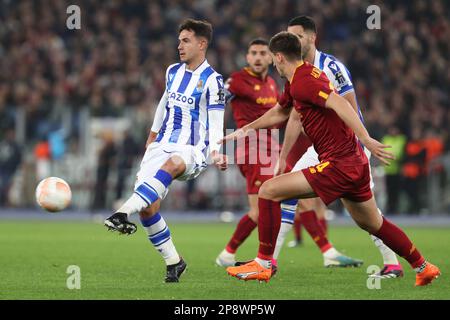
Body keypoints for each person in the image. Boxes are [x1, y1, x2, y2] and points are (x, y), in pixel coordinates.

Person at [223, 31, 440, 286]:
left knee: (269, 191)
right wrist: (247, 128)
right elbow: (280, 112)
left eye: (272, 58)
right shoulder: (297, 80)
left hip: (339, 163)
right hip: (353, 162)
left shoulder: (305, 81)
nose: (272, 63)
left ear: (279, 57)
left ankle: (263, 263)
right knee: (372, 223)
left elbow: (341, 104)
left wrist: (366, 138)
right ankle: (423, 267)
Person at [272, 16, 403, 277]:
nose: (293, 41)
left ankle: (394, 263)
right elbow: (294, 117)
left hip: (348, 148)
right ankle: (268, 261)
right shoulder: (294, 72)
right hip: (320, 149)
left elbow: (349, 106)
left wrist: (361, 142)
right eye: (290, 36)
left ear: (311, 38)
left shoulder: (331, 67)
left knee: (368, 214)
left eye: (297, 36)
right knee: (286, 194)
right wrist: (282, 157)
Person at [215, 38, 362, 272]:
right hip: (251, 146)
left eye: (264, 53)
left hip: (271, 145)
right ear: (247, 57)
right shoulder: (238, 81)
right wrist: (217, 141)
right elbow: (216, 103)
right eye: (254, 53)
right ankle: (232, 254)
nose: (259, 58)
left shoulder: (274, 84)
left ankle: (322, 252)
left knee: (299, 199)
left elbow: (285, 114)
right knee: (268, 205)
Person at [104, 19, 228, 283]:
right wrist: (151, 137)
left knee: (172, 164)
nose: (179, 45)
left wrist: (217, 150)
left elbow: (217, 123)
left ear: (201, 44)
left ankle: (122, 212)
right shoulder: (173, 71)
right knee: (149, 208)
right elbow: (164, 105)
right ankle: (174, 261)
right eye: (179, 40)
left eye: (185, 40)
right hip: (163, 143)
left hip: (193, 149)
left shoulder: (213, 81)